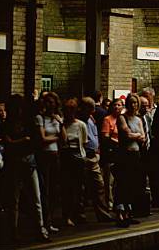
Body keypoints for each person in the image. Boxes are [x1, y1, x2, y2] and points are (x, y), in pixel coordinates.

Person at [2, 94, 50, 243]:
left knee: (29, 198)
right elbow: (10, 142)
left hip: (23, 162)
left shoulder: (15, 123)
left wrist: (17, 142)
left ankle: (36, 230)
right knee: (21, 199)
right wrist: (23, 141)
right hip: (22, 162)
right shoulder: (10, 124)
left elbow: (12, 142)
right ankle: (25, 231)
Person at [79, 97, 113, 222]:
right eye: (91, 107)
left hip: (93, 155)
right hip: (84, 155)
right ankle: (79, 214)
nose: (94, 109)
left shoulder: (90, 119)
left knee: (99, 185)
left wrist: (97, 150)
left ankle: (102, 213)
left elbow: (95, 135)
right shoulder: (79, 121)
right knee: (81, 187)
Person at [114, 94, 146, 227]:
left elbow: (143, 136)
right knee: (123, 183)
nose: (134, 105)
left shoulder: (138, 119)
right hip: (125, 154)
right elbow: (126, 134)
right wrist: (137, 136)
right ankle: (120, 213)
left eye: (136, 103)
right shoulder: (122, 117)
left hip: (136, 154)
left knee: (133, 184)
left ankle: (128, 212)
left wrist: (137, 136)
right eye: (132, 103)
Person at [35, 92, 62, 233]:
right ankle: (43, 221)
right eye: (47, 102)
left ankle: (50, 220)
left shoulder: (57, 119)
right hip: (44, 156)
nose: (49, 105)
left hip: (55, 155)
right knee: (44, 189)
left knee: (54, 189)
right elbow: (43, 139)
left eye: (52, 102)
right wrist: (56, 137)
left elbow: (64, 138)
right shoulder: (40, 118)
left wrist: (60, 122)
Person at [60, 98, 88, 227]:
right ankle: (67, 215)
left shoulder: (81, 125)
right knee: (66, 188)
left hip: (78, 158)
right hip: (66, 157)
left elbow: (84, 142)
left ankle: (78, 213)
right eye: (67, 110)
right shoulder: (61, 124)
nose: (69, 113)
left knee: (79, 188)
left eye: (72, 110)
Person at [100, 99, 123, 211]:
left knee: (119, 180)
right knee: (109, 180)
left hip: (121, 152)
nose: (117, 107)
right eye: (115, 105)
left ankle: (118, 202)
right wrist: (117, 141)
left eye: (119, 105)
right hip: (111, 152)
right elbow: (105, 137)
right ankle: (109, 202)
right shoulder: (107, 119)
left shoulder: (122, 119)